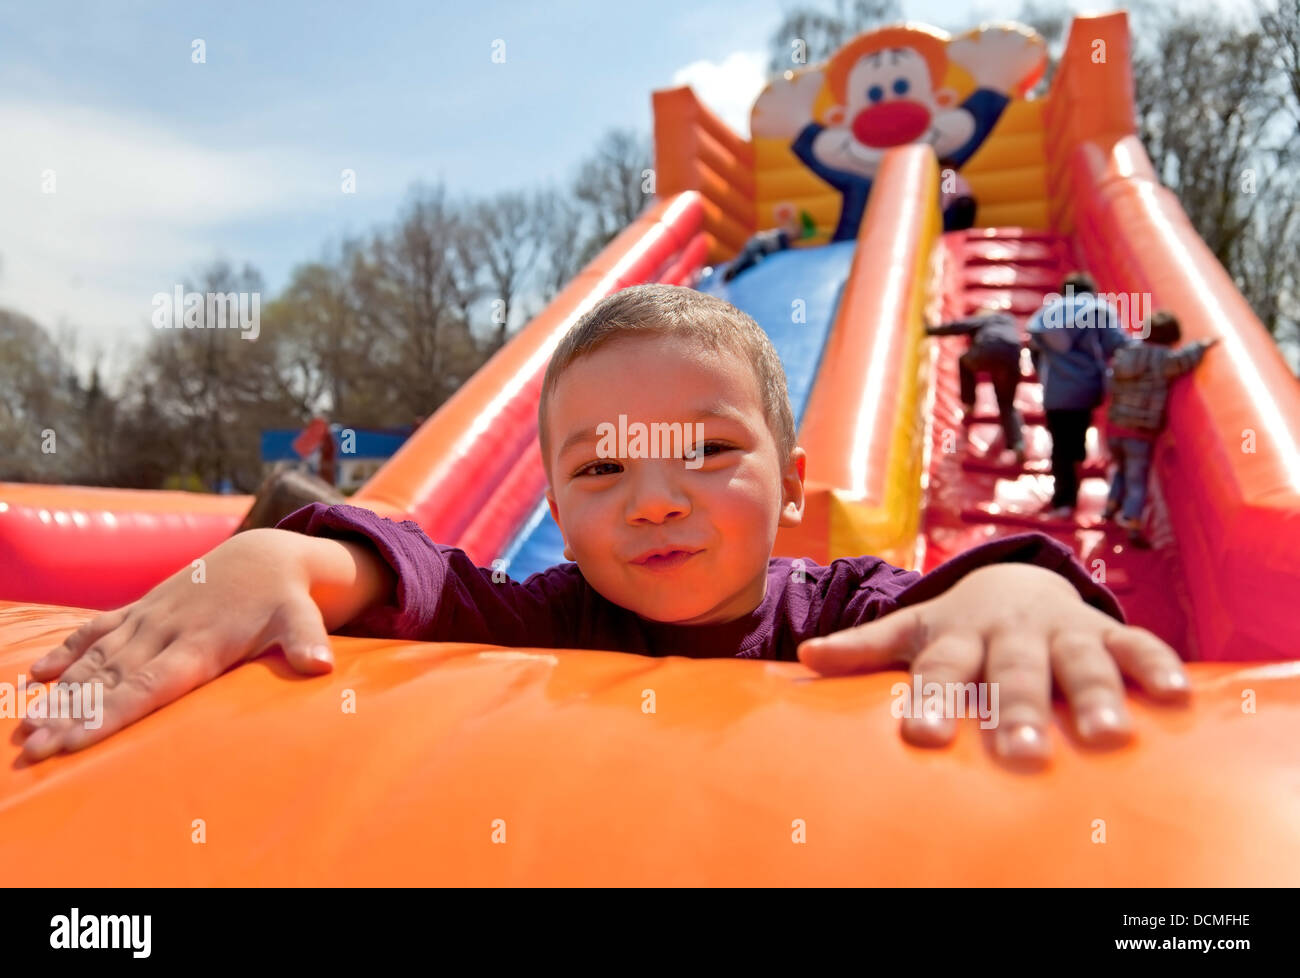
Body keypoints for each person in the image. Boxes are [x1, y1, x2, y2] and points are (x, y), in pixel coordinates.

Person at [18, 285, 1190, 767]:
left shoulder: (838, 613)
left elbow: (947, 599)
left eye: (712, 451)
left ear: (792, 485)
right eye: (600, 468)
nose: (657, 497)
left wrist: (1015, 593)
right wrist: (289, 551)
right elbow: (423, 577)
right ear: (558, 515)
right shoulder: (546, 620)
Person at [1104, 311, 1218, 547]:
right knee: (1137, 479)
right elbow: (1184, 360)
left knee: (1121, 469)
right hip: (1139, 430)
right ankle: (1132, 523)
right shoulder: (1163, 359)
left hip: (1115, 427)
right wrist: (1203, 345)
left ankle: (1110, 506)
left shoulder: (1126, 354)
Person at [1026, 272, 1130, 519]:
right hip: (1088, 386)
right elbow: (1117, 344)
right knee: (1079, 427)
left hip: (1057, 390)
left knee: (1059, 445)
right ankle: (1078, 457)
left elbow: (1034, 350)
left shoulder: (1047, 315)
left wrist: (1043, 375)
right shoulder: (1099, 311)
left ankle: (1064, 500)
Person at [925, 306, 1026, 463]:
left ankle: (969, 403)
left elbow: (958, 327)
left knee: (964, 361)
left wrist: (930, 331)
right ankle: (1018, 443)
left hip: (988, 350)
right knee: (1007, 404)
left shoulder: (986, 319)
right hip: (1012, 356)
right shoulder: (1007, 320)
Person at [721, 212, 805, 282]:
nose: (795, 234)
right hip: (758, 244)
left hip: (758, 243)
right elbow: (784, 247)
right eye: (795, 231)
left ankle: (732, 272)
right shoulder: (783, 236)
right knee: (747, 261)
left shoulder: (783, 238)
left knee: (747, 261)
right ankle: (731, 272)